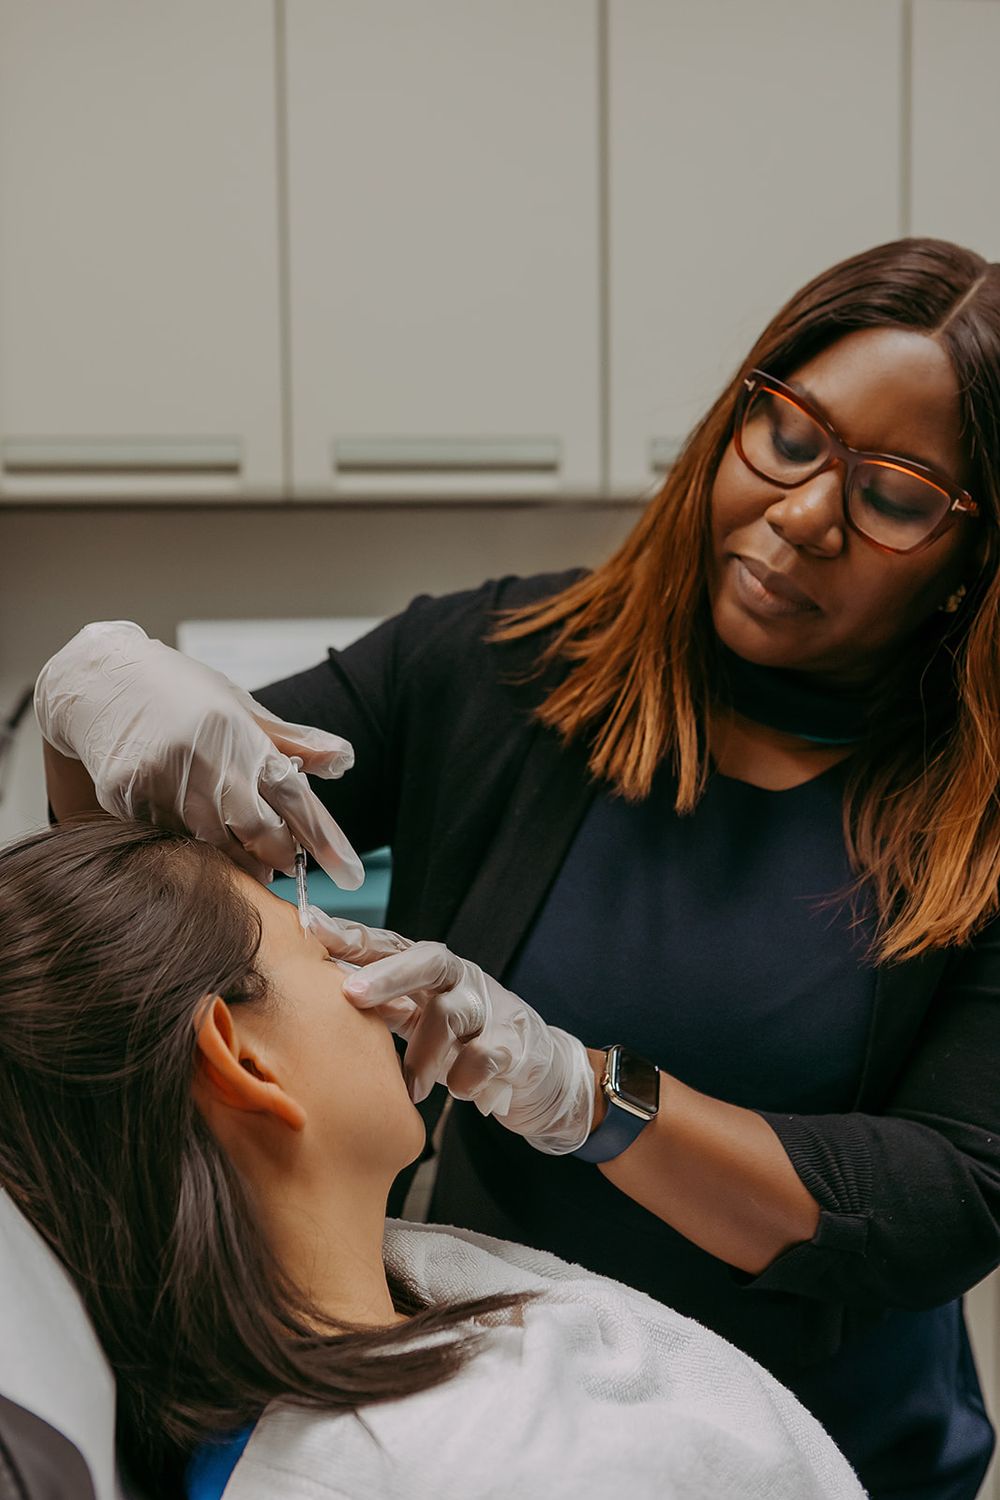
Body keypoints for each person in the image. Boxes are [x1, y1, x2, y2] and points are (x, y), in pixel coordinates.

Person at [34, 236, 1000, 1499]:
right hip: (519, 1414)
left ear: (966, 562)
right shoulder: (498, 664)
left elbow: (946, 1199)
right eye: (792, 434)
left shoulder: (977, 811)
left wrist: (586, 1094)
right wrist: (82, 710)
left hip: (826, 1451)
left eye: (894, 495)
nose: (806, 513)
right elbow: (134, 899)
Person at [0, 818, 864, 1499]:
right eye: (324, 946)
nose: (383, 976)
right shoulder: (488, 1472)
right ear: (242, 1060)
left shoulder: (271, 1364)